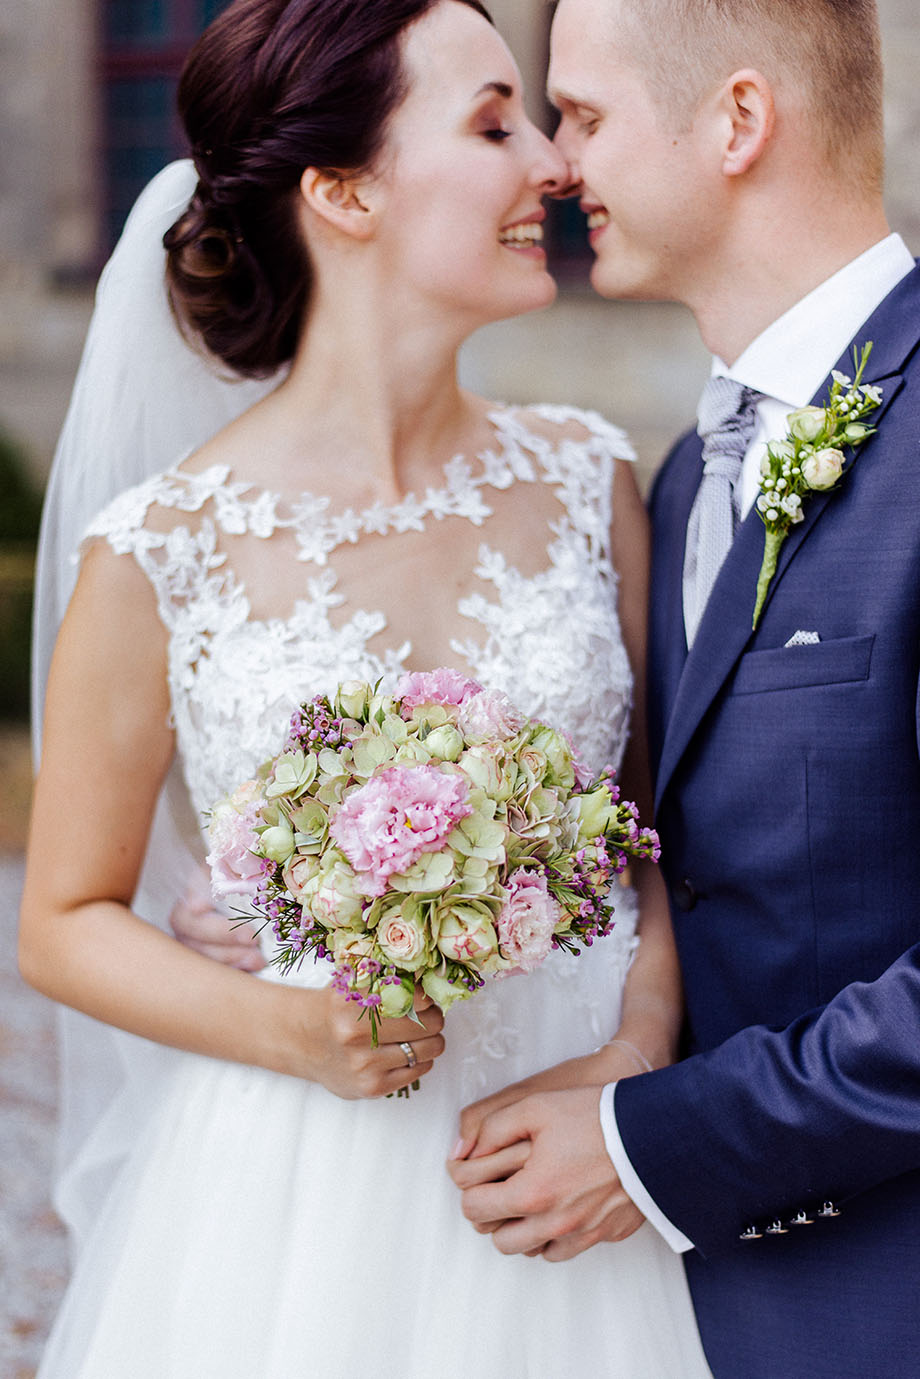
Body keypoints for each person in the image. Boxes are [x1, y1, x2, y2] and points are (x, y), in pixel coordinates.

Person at [20, 1, 713, 1374]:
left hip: (580, 1167)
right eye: (492, 123)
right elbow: (63, 920)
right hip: (292, 1200)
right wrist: (297, 1028)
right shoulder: (163, 547)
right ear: (341, 191)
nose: (550, 166)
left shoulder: (591, 482)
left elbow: (658, 837)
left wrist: (640, 1046)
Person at [449, 1, 920, 1376]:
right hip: (675, 1318)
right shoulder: (686, 475)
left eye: (581, 114)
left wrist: (651, 1145)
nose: (549, 162)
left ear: (737, 120)